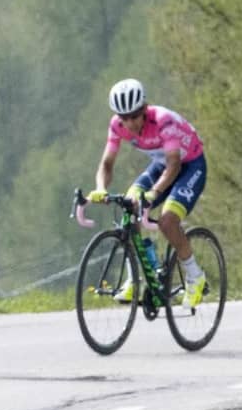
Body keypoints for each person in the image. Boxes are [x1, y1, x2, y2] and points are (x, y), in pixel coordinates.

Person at [87, 78, 207, 307]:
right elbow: (107, 164)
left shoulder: (163, 121)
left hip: (190, 165)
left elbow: (174, 165)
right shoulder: (117, 125)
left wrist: (154, 192)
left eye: (134, 116)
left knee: (168, 221)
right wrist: (101, 188)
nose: (129, 123)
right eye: (124, 118)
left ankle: (195, 276)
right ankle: (139, 277)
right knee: (129, 207)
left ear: (144, 108)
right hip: (161, 164)